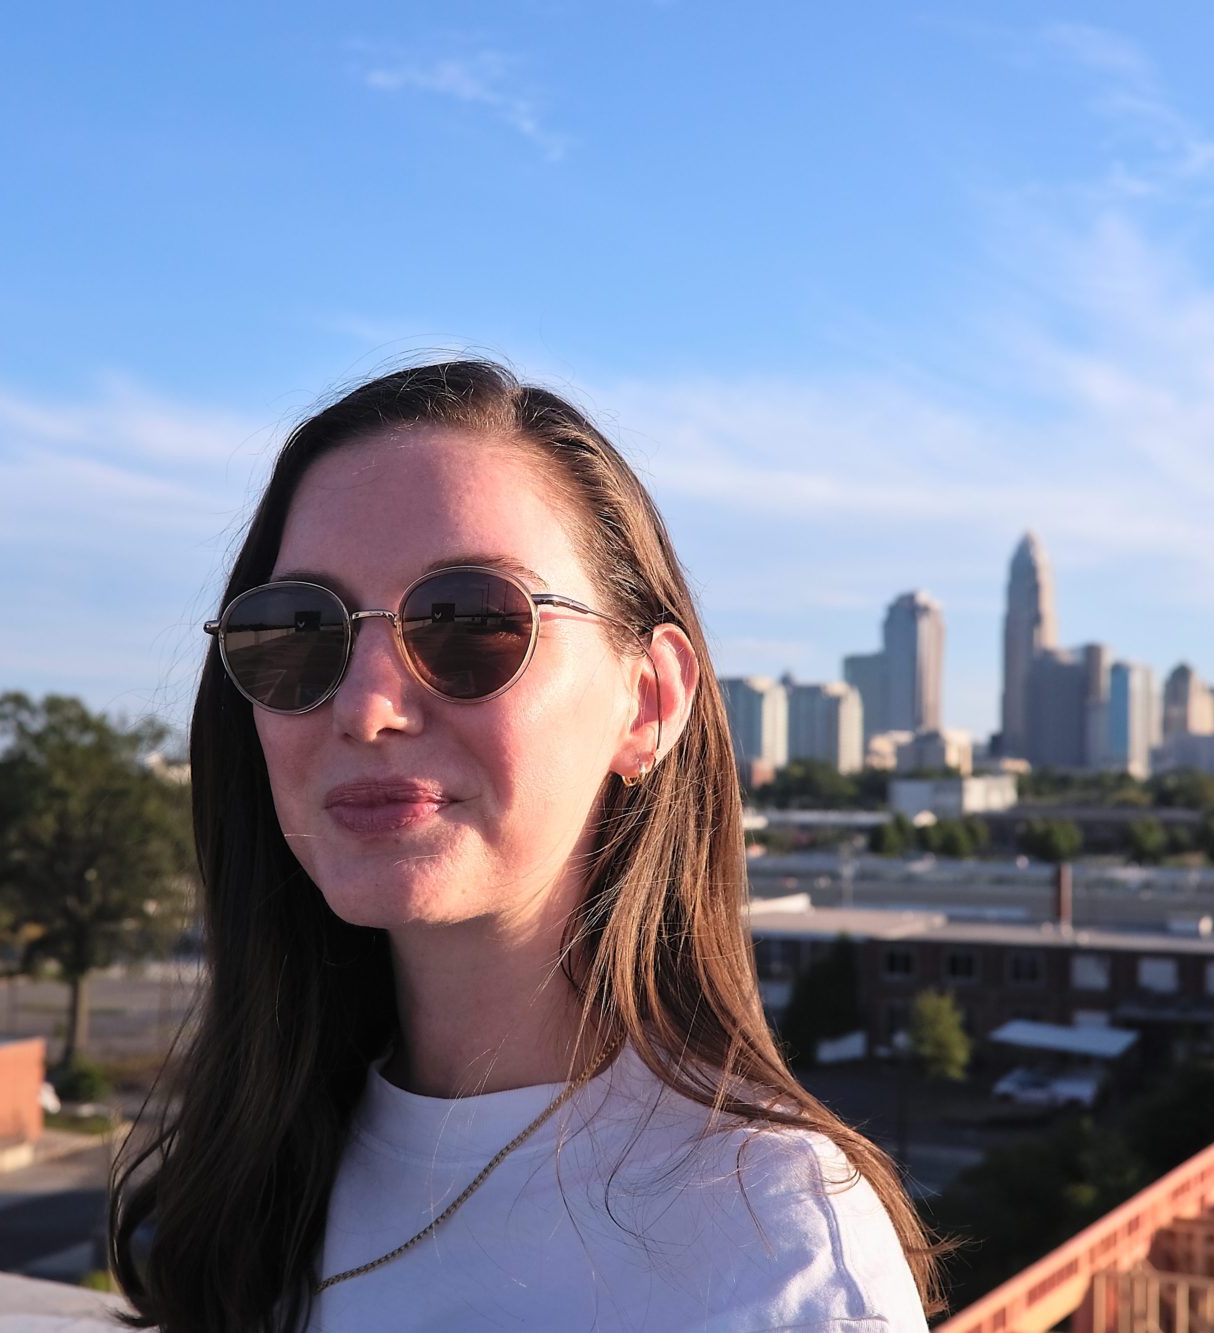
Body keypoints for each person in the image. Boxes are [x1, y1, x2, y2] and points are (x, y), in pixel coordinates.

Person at [109, 360, 948, 1332]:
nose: (367, 705)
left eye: (467, 622)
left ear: (648, 701)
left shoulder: (771, 1249)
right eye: (295, 629)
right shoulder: (255, 1164)